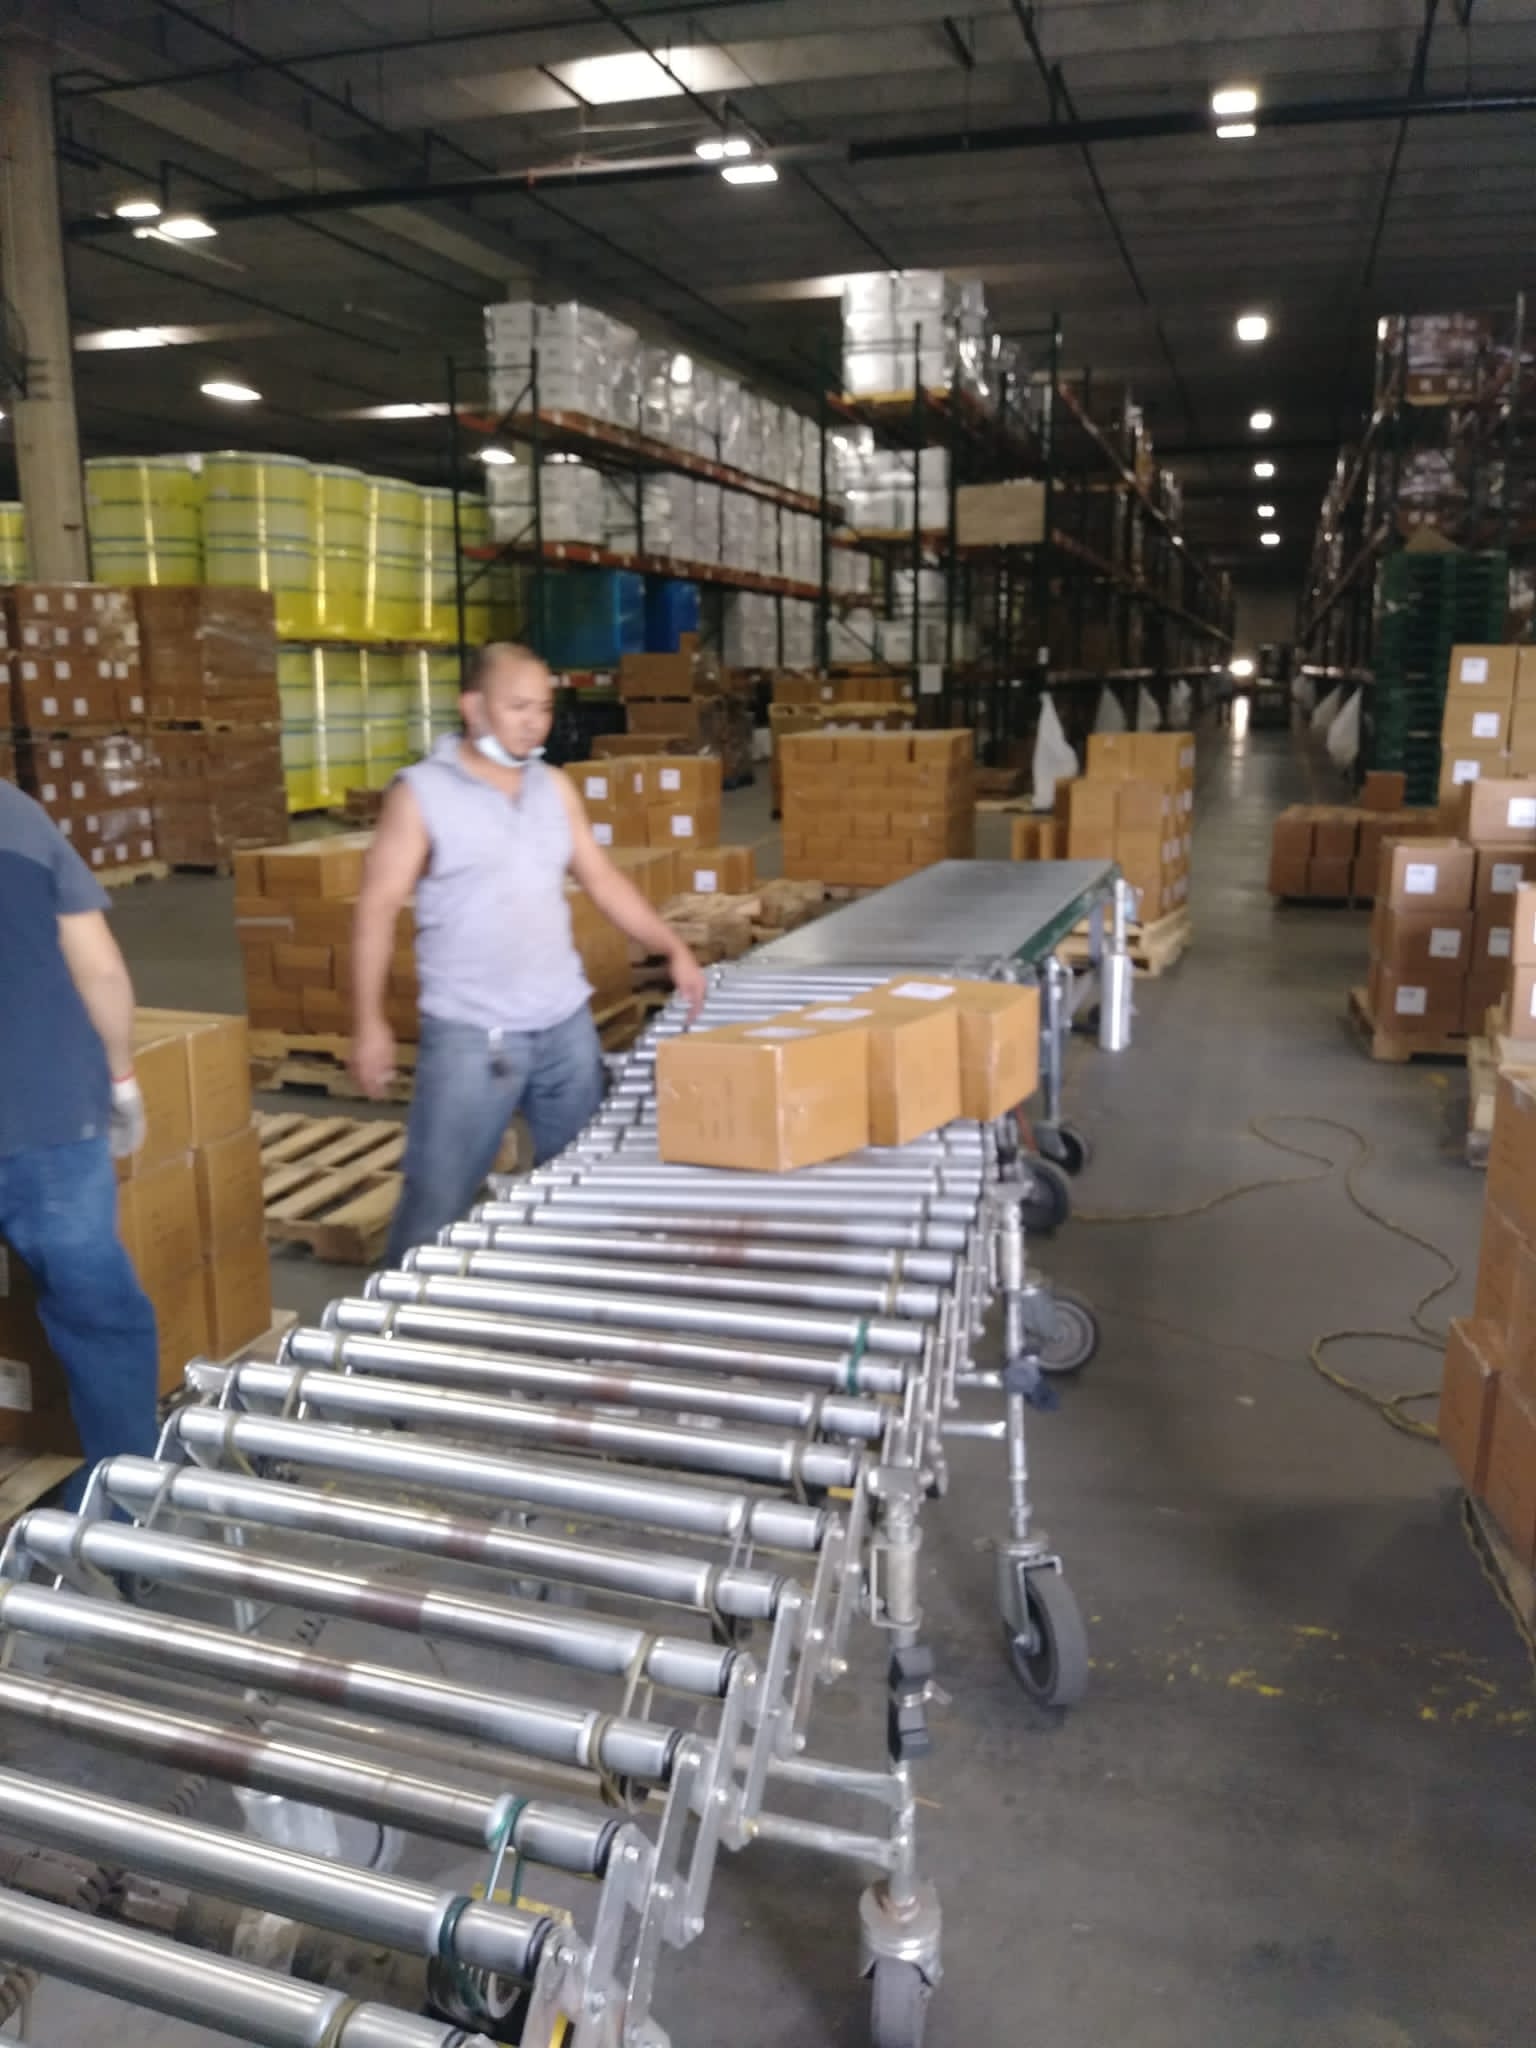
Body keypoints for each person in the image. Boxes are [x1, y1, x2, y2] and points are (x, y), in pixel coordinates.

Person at [353, 642, 707, 1263]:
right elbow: (376, 908)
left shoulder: (553, 787)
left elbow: (601, 880)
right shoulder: (421, 795)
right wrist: (368, 1024)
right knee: (437, 1201)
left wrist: (671, 946)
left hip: (565, 1026)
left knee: (580, 1190)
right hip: (472, 1034)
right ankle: (382, 1343)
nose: (534, 722)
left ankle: (559, 1323)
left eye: (543, 707)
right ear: (473, 707)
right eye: (517, 706)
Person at [0, 780, 160, 1498]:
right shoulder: (17, 815)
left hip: (42, 1111)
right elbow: (99, 967)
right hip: (48, 1113)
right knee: (97, 1311)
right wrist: (121, 1076)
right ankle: (126, 1506)